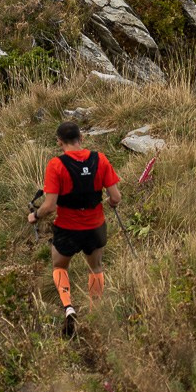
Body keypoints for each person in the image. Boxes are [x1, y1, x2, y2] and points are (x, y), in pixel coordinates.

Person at [28, 121, 121, 336]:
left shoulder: (56, 165)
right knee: (95, 268)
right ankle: (95, 313)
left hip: (68, 228)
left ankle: (68, 307)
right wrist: (111, 202)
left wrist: (35, 216)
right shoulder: (100, 159)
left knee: (59, 266)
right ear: (82, 138)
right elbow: (116, 197)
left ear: (59, 141)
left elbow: (50, 206)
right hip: (95, 227)